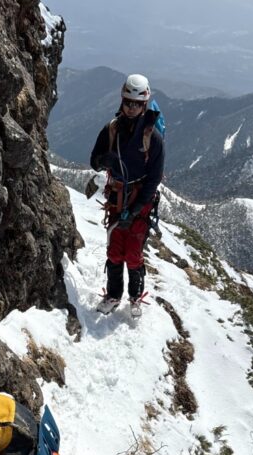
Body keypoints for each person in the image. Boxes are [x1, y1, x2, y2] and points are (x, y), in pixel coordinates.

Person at [90, 73, 165, 318]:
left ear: (144, 105)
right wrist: (105, 160)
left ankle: (135, 296)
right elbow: (94, 161)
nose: (131, 108)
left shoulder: (153, 138)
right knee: (114, 248)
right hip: (117, 195)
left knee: (133, 251)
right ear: (122, 101)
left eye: (137, 104)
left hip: (139, 198)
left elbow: (154, 178)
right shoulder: (111, 130)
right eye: (128, 102)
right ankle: (113, 294)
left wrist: (135, 210)